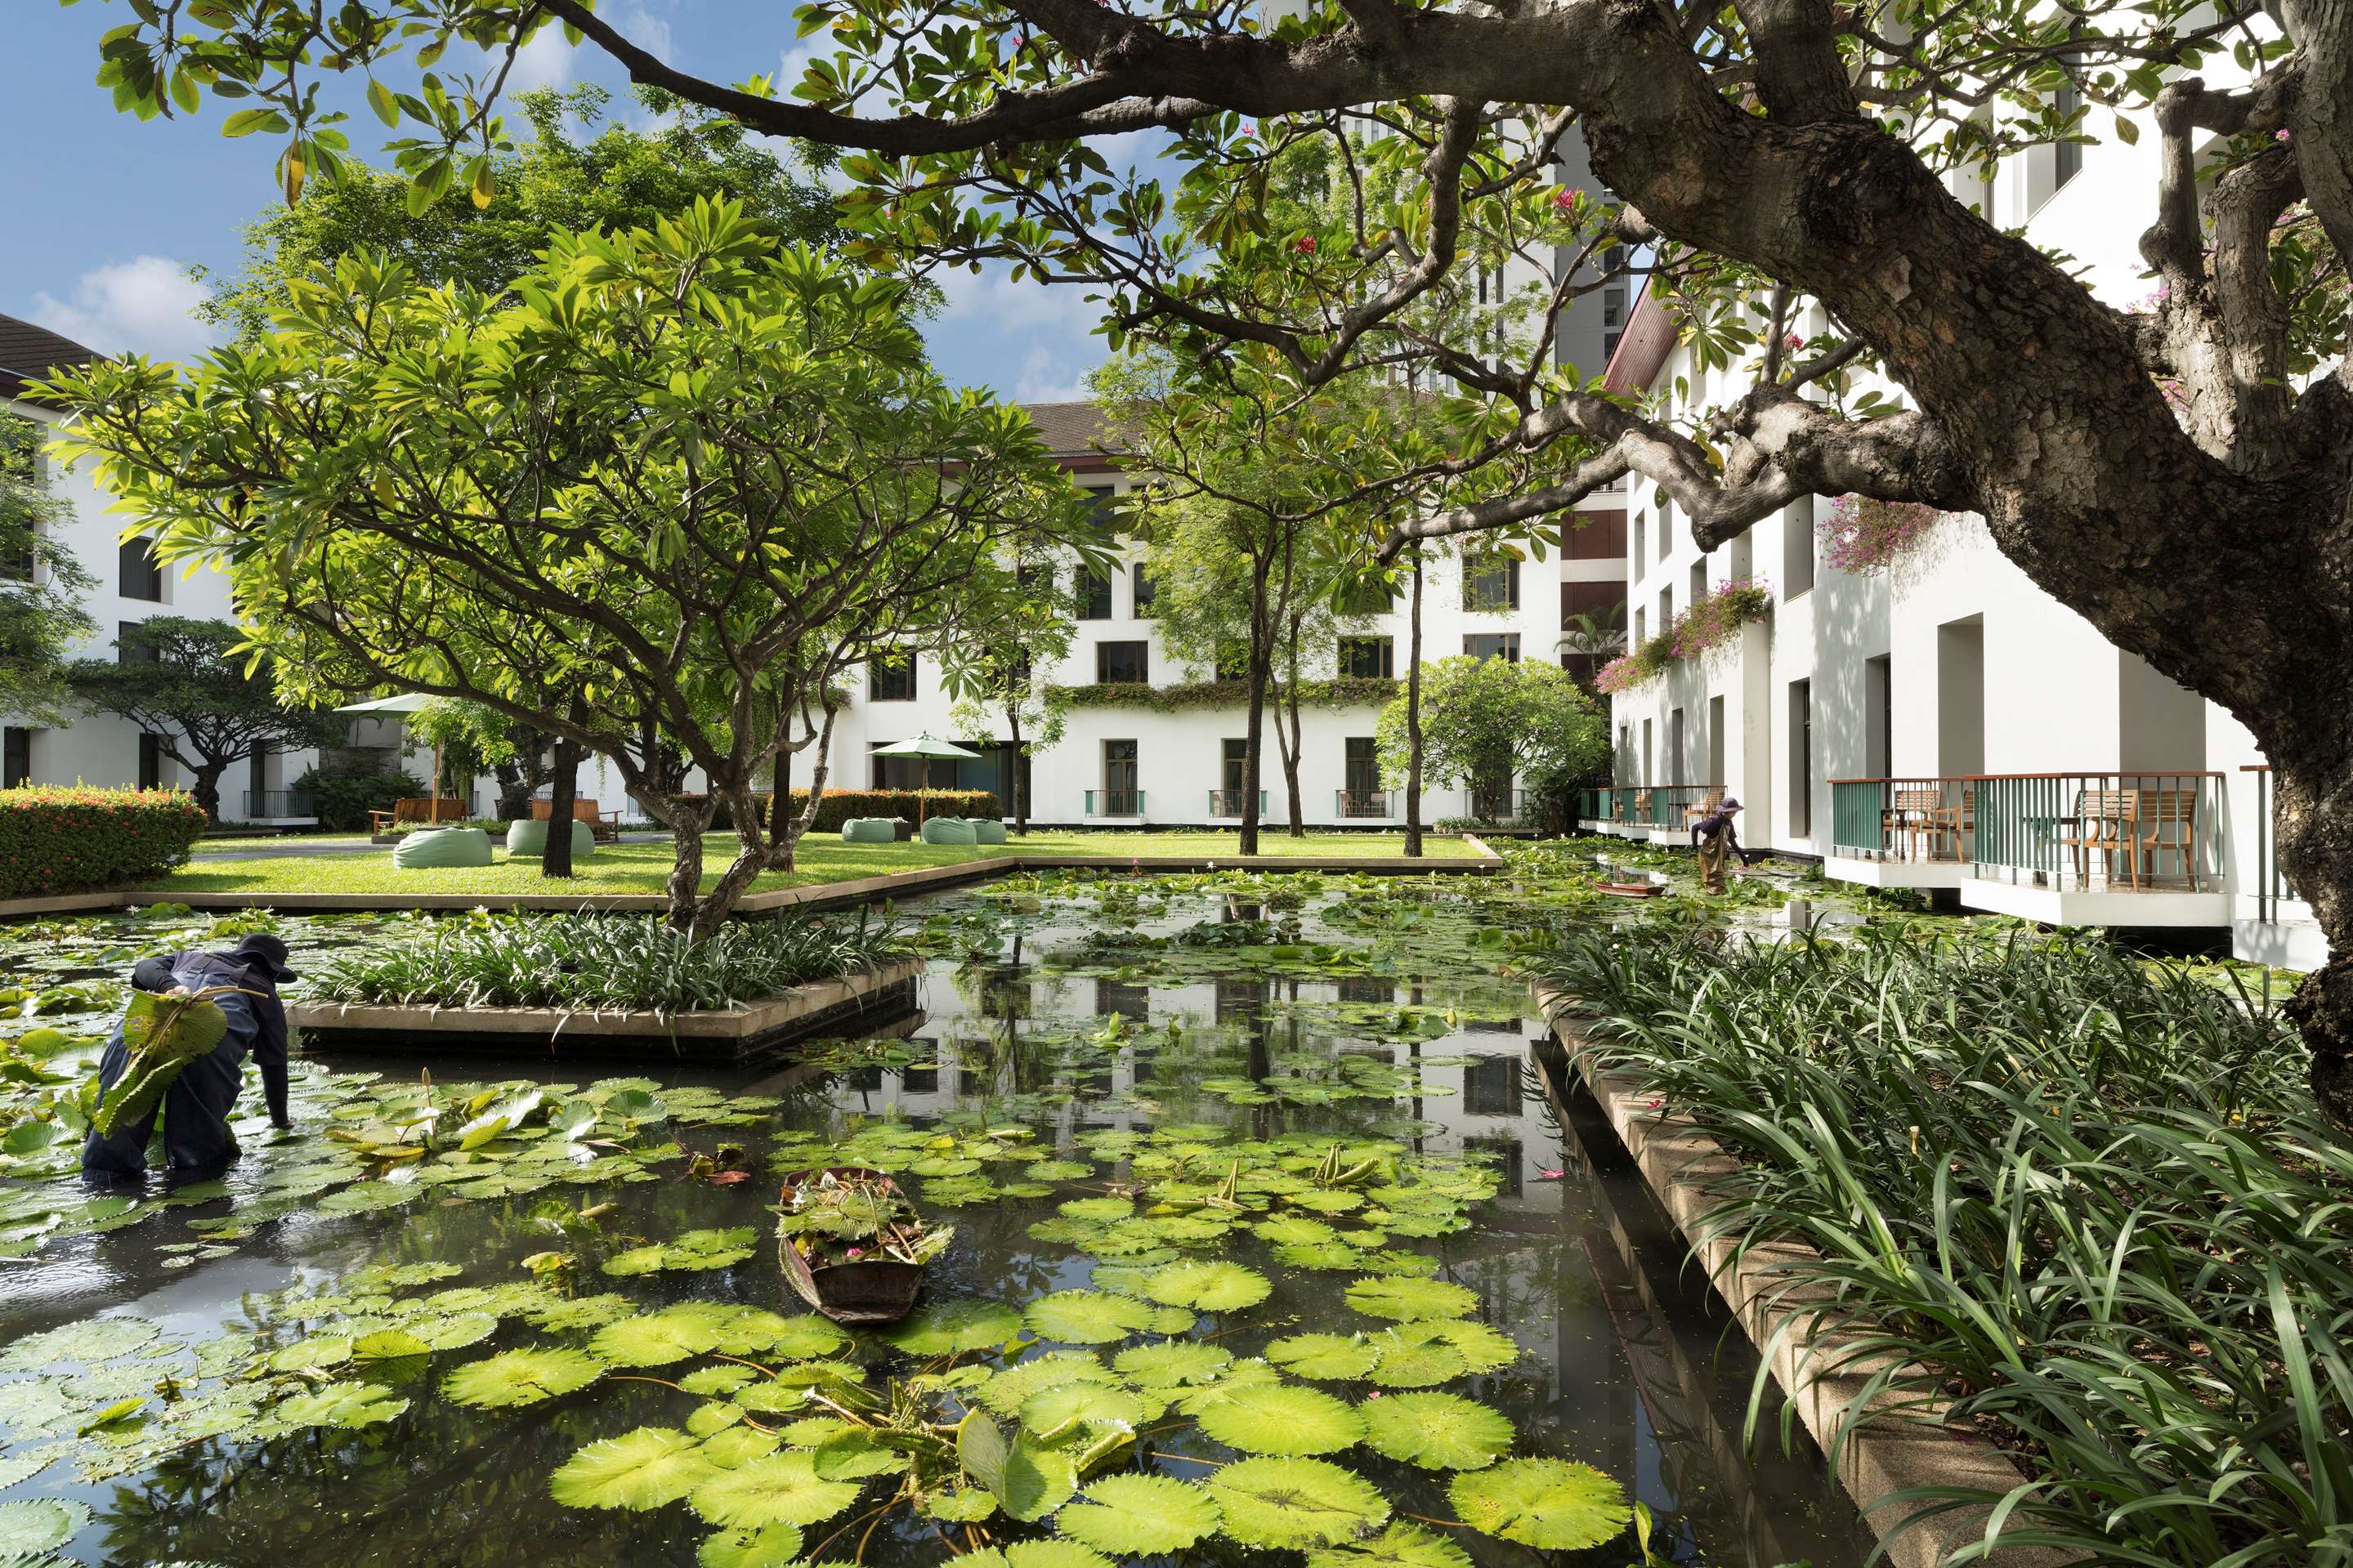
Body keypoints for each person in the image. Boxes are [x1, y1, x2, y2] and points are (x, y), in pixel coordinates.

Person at [82, 932, 296, 1182]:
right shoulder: (262, 988)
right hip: (205, 1045)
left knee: (113, 1135)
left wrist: (168, 986)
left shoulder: (187, 957)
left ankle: (104, 1196)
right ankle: (192, 1206)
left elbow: (144, 966)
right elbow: (275, 1066)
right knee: (197, 1155)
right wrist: (280, 1121)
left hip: (135, 1035)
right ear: (274, 972)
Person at [1690, 796, 1761, 894]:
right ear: (1726, 811)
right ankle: (1713, 904)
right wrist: (1694, 846)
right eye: (1733, 812)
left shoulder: (1728, 822)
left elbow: (1732, 841)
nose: (1735, 814)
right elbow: (1695, 827)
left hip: (1719, 856)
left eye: (1735, 811)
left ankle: (1715, 903)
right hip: (1708, 857)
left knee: (1719, 885)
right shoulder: (1714, 821)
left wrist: (1744, 858)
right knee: (1714, 885)